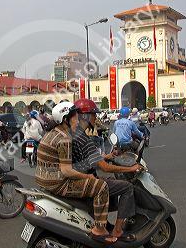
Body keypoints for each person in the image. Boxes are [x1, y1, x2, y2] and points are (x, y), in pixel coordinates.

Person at [35, 102, 117, 244]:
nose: (78, 121)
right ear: (65, 119)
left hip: (43, 180)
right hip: (58, 183)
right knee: (101, 186)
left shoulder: (51, 134)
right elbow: (66, 171)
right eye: (75, 118)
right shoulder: (65, 139)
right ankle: (99, 230)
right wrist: (88, 176)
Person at [72, 99, 144, 241]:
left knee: (111, 183)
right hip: (87, 180)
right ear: (85, 116)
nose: (95, 117)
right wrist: (131, 168)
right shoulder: (83, 137)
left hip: (82, 177)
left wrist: (108, 156)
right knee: (127, 188)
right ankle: (117, 230)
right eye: (93, 115)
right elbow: (104, 167)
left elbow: (90, 159)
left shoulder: (76, 133)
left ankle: (104, 223)